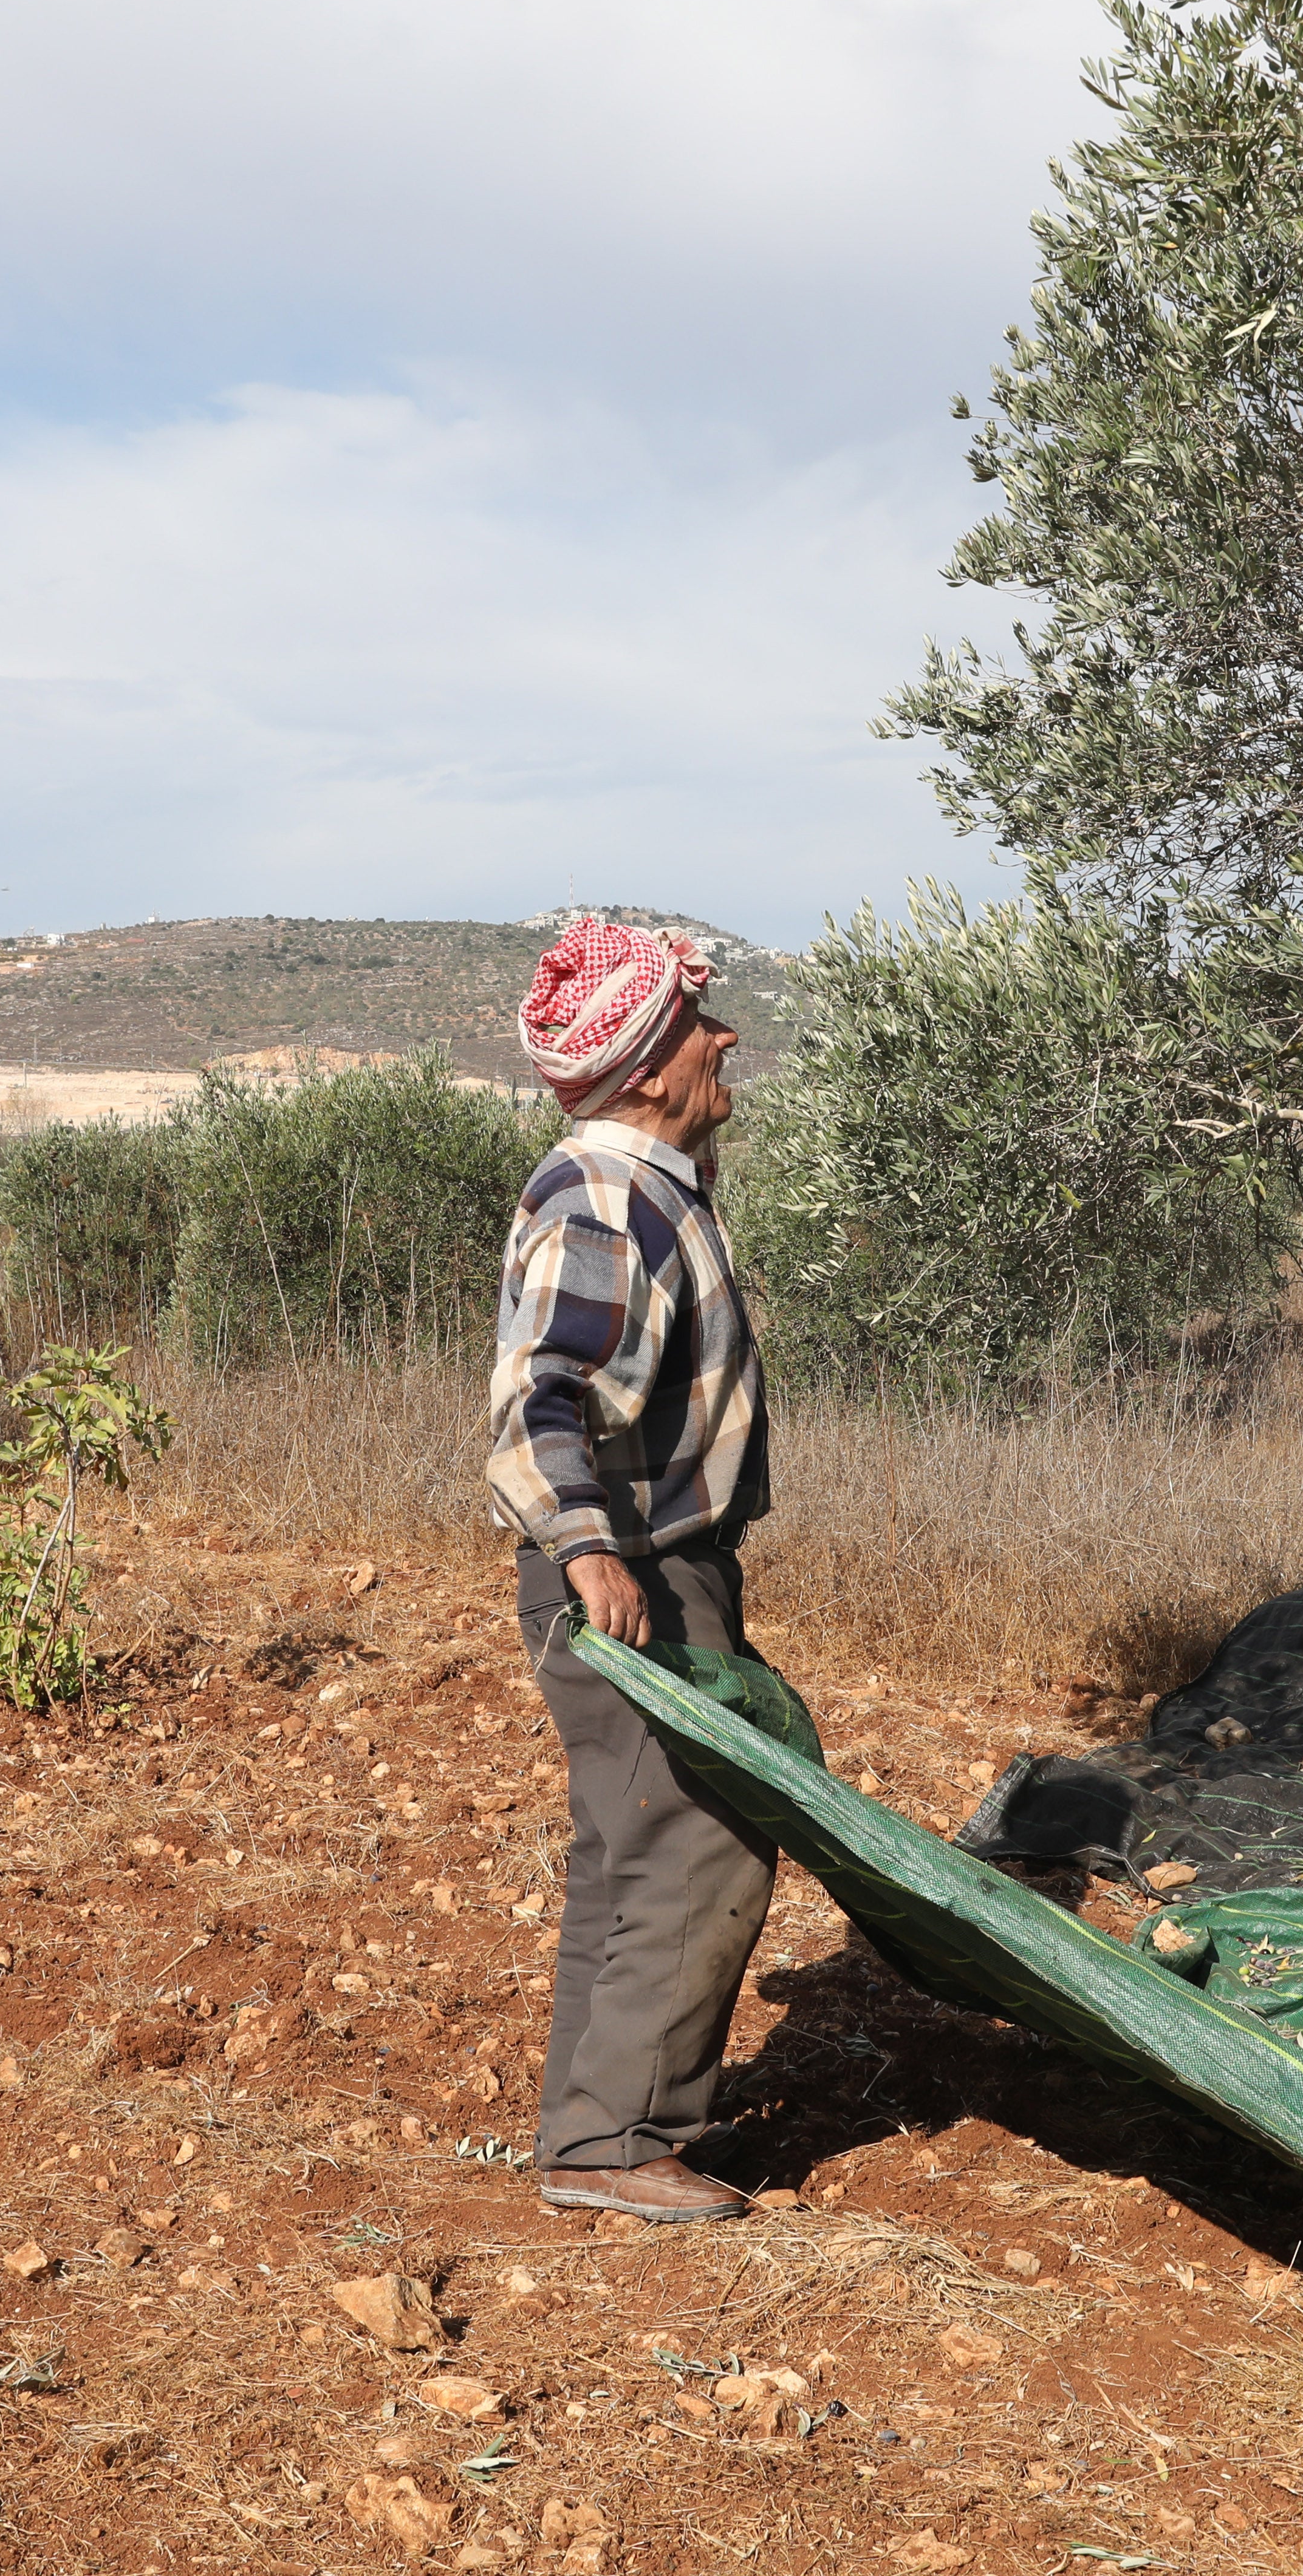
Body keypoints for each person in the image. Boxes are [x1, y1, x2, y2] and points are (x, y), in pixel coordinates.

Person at [487, 916, 775, 2224]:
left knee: (631, 1842)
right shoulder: (609, 1196)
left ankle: (592, 2128)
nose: (729, 1040)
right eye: (705, 1025)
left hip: (640, 1567)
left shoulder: (642, 1179)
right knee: (700, 1835)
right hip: (632, 1571)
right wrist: (593, 1543)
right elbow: (548, 1394)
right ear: (654, 1065)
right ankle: (616, 2148)